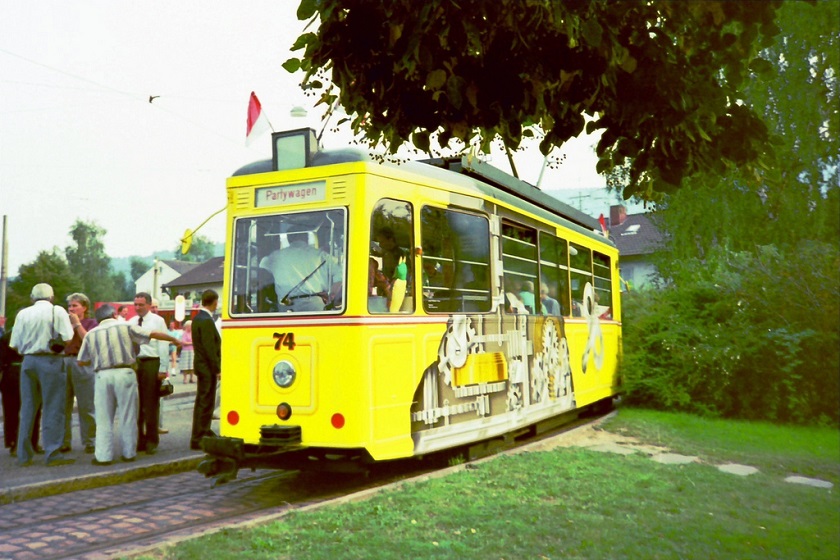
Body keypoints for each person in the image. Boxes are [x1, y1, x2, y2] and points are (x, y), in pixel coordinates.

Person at [78, 303, 181, 465]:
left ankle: (103, 456)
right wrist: (173, 339)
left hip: (102, 375)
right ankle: (128, 453)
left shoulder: (91, 334)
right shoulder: (125, 326)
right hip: (125, 372)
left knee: (103, 418)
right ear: (114, 315)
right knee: (128, 415)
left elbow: (81, 361)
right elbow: (152, 333)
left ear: (98, 319)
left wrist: (98, 358)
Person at [9, 283, 75, 466]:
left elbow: (14, 344)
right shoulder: (57, 311)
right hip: (50, 360)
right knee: (53, 407)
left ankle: (23, 454)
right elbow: (68, 337)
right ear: (51, 297)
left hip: (28, 361)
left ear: (32, 298)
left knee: (27, 408)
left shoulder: (23, 314)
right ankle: (52, 453)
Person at [259, 231, 342, 312]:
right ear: (306, 238)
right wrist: (332, 295)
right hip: (314, 305)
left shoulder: (275, 256)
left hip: (287, 306)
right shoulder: (321, 255)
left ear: (289, 239)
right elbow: (341, 275)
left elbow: (262, 270)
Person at [128, 292, 167, 454]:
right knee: (136, 403)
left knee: (150, 403)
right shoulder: (131, 322)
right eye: (136, 304)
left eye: (141, 305)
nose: (138, 308)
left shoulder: (158, 321)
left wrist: (163, 368)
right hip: (136, 363)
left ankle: (152, 440)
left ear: (149, 305)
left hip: (152, 362)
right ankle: (139, 439)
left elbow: (163, 344)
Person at [61, 293, 98, 454]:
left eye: (75, 305)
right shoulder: (63, 323)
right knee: (63, 405)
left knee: (86, 404)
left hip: (82, 362)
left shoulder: (91, 323)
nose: (71, 309)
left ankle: (90, 440)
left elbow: (89, 341)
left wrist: (77, 324)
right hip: (64, 361)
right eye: (69, 306)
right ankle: (64, 441)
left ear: (84, 307)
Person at [0, 328, 43, 457]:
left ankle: (13, 442)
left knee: (11, 411)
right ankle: (33, 441)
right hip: (30, 371)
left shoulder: (7, 336)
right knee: (34, 409)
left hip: (11, 373)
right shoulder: (35, 333)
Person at [190, 290, 221, 451]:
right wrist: (217, 368)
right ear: (214, 302)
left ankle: (203, 430)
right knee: (206, 401)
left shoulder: (197, 319)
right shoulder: (207, 321)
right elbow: (210, 347)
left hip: (200, 365)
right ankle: (199, 435)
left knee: (202, 401)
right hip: (207, 367)